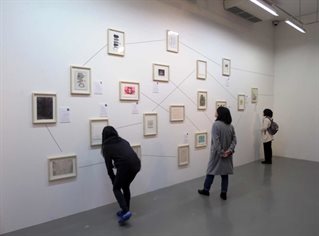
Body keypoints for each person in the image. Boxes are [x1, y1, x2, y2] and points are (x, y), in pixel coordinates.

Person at [101, 126, 141, 224]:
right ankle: (125, 210)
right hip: (137, 164)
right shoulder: (123, 141)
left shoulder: (106, 147)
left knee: (116, 188)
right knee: (125, 185)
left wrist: (114, 182)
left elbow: (109, 169)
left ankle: (126, 211)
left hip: (125, 166)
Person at [198, 106, 237, 200]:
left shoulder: (216, 124)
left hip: (217, 154)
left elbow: (216, 141)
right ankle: (224, 193)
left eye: (217, 111)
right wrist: (229, 151)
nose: (215, 112)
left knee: (211, 171)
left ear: (220, 114)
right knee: (225, 174)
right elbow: (234, 140)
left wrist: (221, 152)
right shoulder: (230, 126)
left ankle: (206, 190)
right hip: (227, 154)